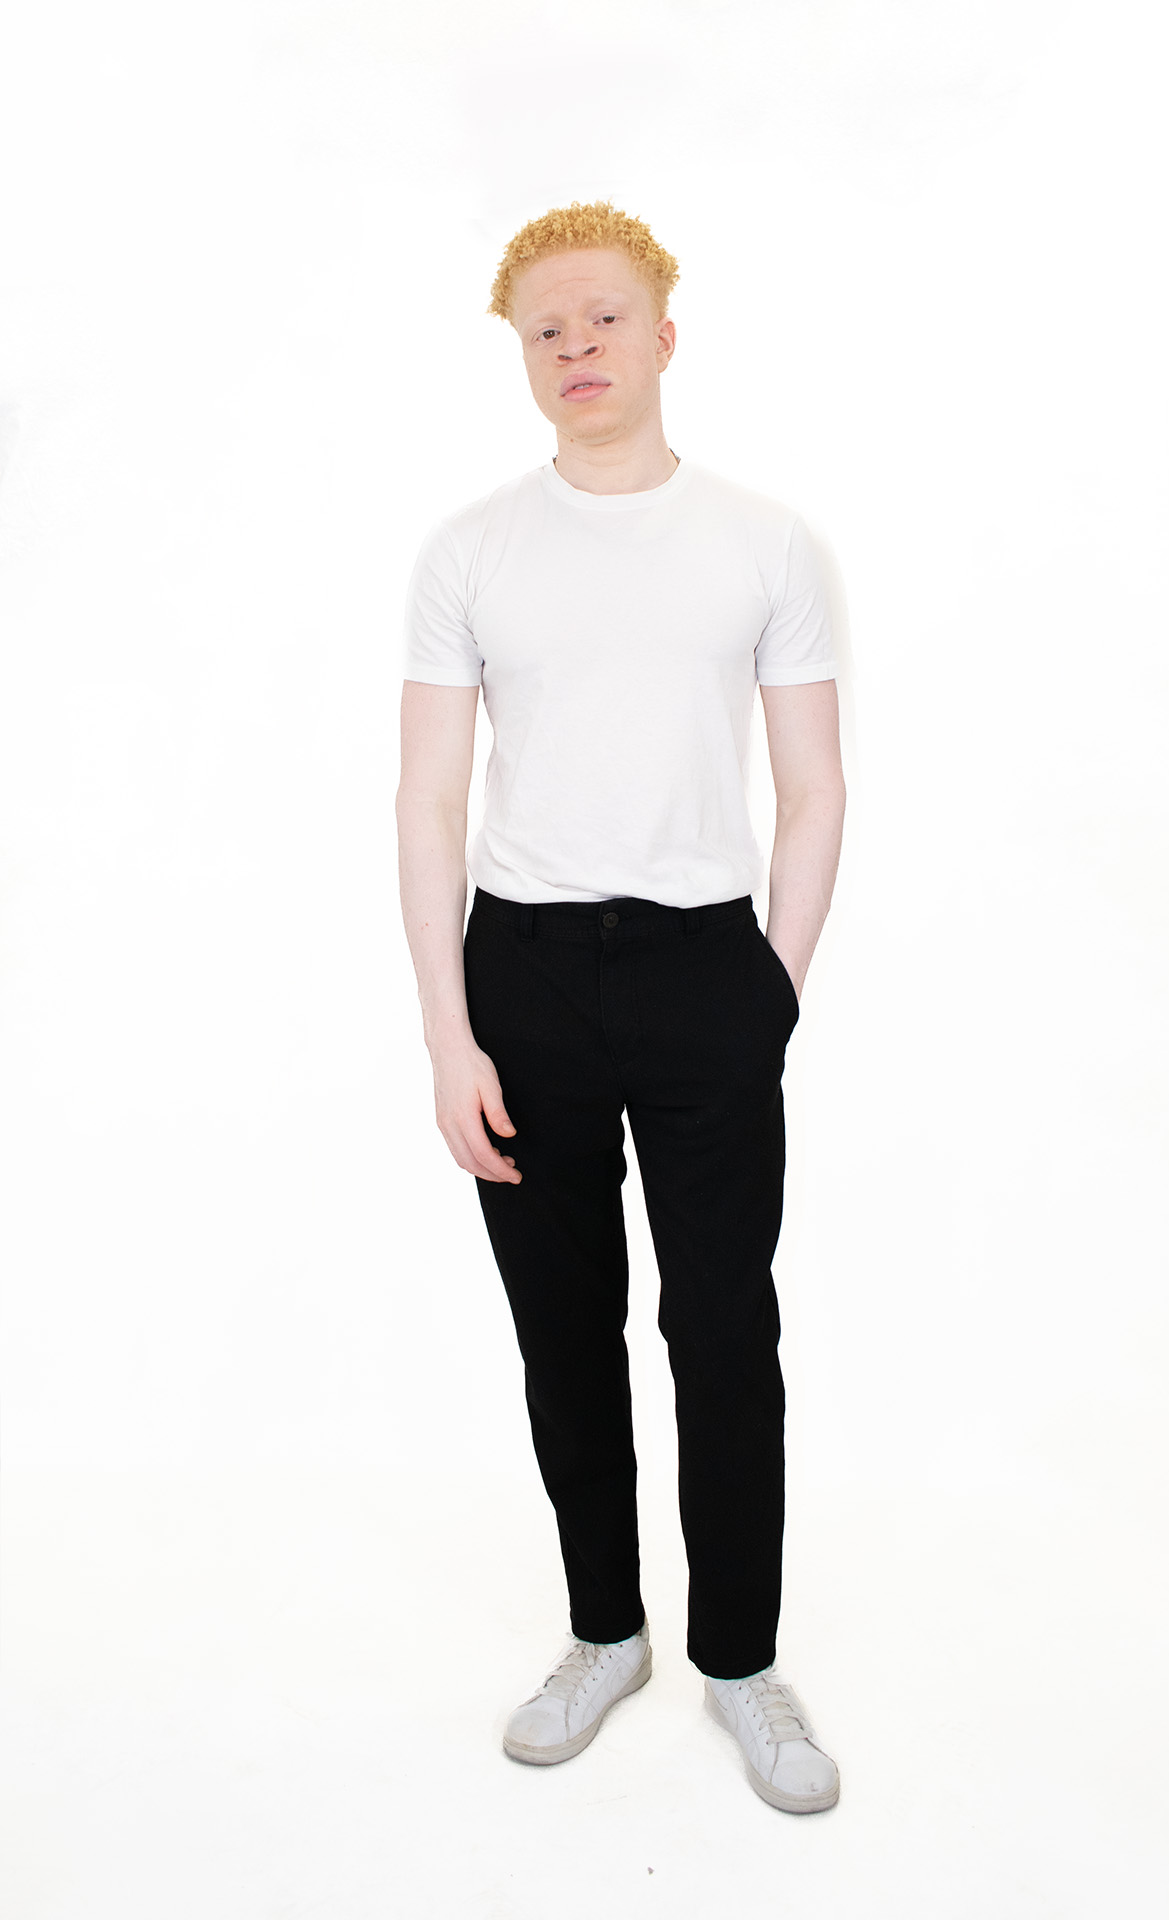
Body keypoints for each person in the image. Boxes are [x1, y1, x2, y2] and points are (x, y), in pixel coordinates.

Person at [396, 200, 847, 1814]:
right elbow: (428, 800)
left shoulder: (766, 544)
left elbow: (814, 785)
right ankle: (605, 1634)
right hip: (520, 972)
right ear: (521, 356)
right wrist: (449, 1033)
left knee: (723, 1328)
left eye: (601, 319)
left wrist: (769, 991)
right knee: (561, 1326)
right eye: (545, 330)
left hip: (706, 966)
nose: (575, 347)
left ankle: (742, 1661)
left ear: (663, 335)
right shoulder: (471, 551)